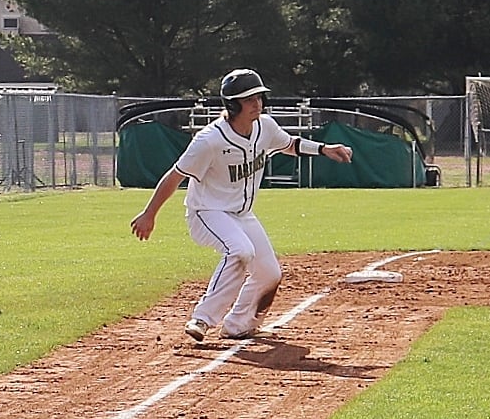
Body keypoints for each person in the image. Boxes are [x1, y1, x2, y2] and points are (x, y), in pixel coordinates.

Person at [130, 68, 353, 341]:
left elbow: (290, 144)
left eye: (259, 97)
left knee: (270, 273)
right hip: (206, 212)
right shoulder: (209, 140)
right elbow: (175, 175)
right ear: (233, 104)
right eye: (248, 99)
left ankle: (239, 324)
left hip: (242, 214)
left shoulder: (264, 126)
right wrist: (149, 214)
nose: (256, 104)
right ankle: (202, 319)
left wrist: (323, 148)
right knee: (240, 251)